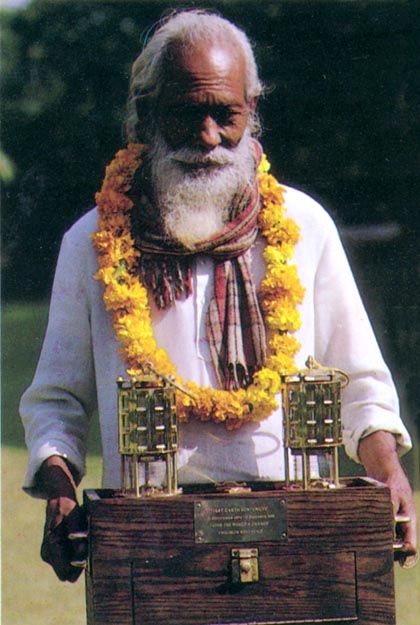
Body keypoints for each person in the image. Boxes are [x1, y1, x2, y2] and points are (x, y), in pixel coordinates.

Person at [20, 9, 417, 581]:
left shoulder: (304, 225)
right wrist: (59, 487)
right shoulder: (93, 240)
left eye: (225, 114)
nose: (208, 138)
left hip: (297, 529)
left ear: (252, 111)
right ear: (148, 112)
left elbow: (360, 384)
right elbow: (56, 402)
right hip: (152, 537)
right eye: (187, 114)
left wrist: (389, 472)